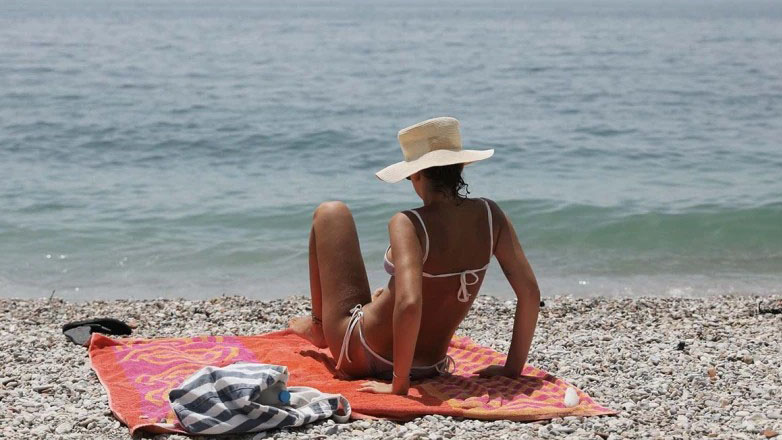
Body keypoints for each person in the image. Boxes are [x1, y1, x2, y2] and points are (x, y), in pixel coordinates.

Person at [290, 117, 540, 396]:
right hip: (431, 364)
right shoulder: (491, 215)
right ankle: (349, 316)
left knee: (331, 213)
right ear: (459, 168)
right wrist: (512, 368)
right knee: (384, 295)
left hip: (364, 353)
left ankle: (319, 329)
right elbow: (530, 293)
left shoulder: (409, 222)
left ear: (417, 174)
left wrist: (399, 385)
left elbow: (409, 303)